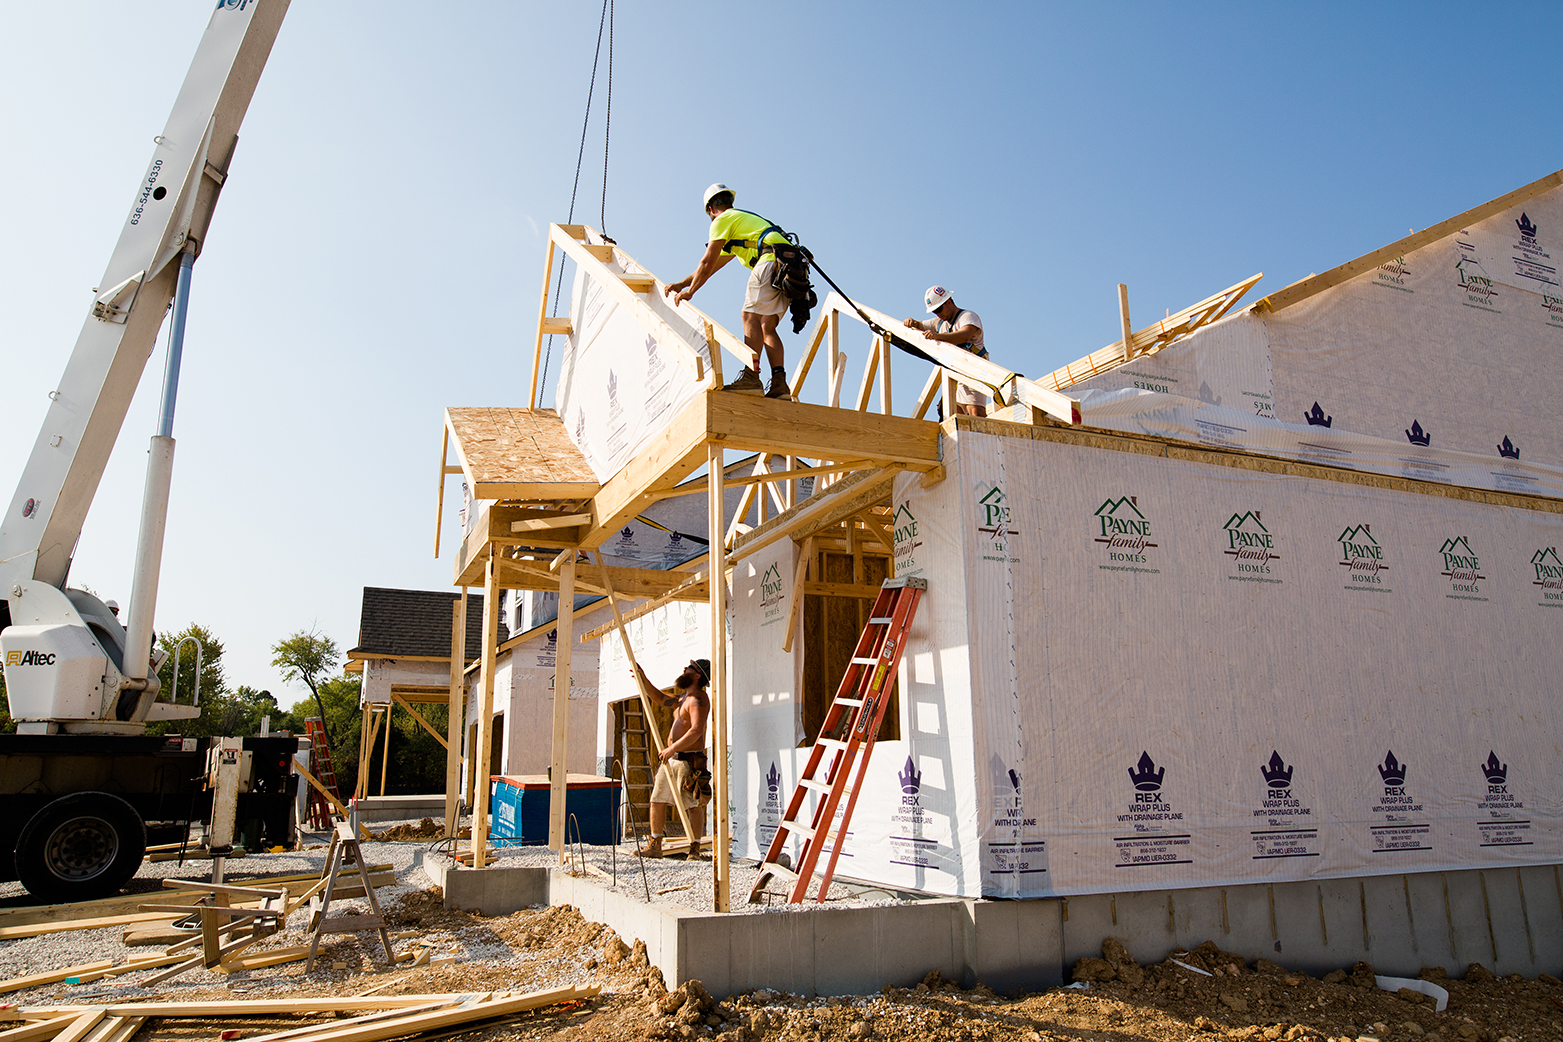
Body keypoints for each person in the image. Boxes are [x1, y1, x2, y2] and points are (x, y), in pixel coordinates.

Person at [665, 183, 793, 400]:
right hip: (788, 267)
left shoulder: (722, 221)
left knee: (748, 316)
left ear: (711, 210)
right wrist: (683, 283)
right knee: (766, 326)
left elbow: (706, 262)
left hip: (770, 261)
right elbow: (712, 266)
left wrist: (691, 292)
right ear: (728, 201)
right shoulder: (741, 223)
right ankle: (780, 385)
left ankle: (751, 377)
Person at [633, 658, 713, 858]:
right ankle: (655, 844)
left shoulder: (698, 700)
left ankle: (694, 847)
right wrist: (643, 679)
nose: (684, 668)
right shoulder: (684, 698)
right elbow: (660, 698)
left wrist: (672, 748)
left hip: (688, 760)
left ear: (696, 675)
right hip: (674, 758)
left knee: (692, 805)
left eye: (689, 668)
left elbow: (696, 730)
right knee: (657, 800)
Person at [904, 285, 989, 417]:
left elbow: (965, 335)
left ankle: (983, 437)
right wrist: (912, 322)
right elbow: (919, 324)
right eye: (934, 312)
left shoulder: (968, 316)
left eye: (939, 309)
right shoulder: (939, 323)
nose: (938, 314)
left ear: (948, 302)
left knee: (975, 410)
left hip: (974, 370)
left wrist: (938, 336)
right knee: (952, 411)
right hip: (955, 372)